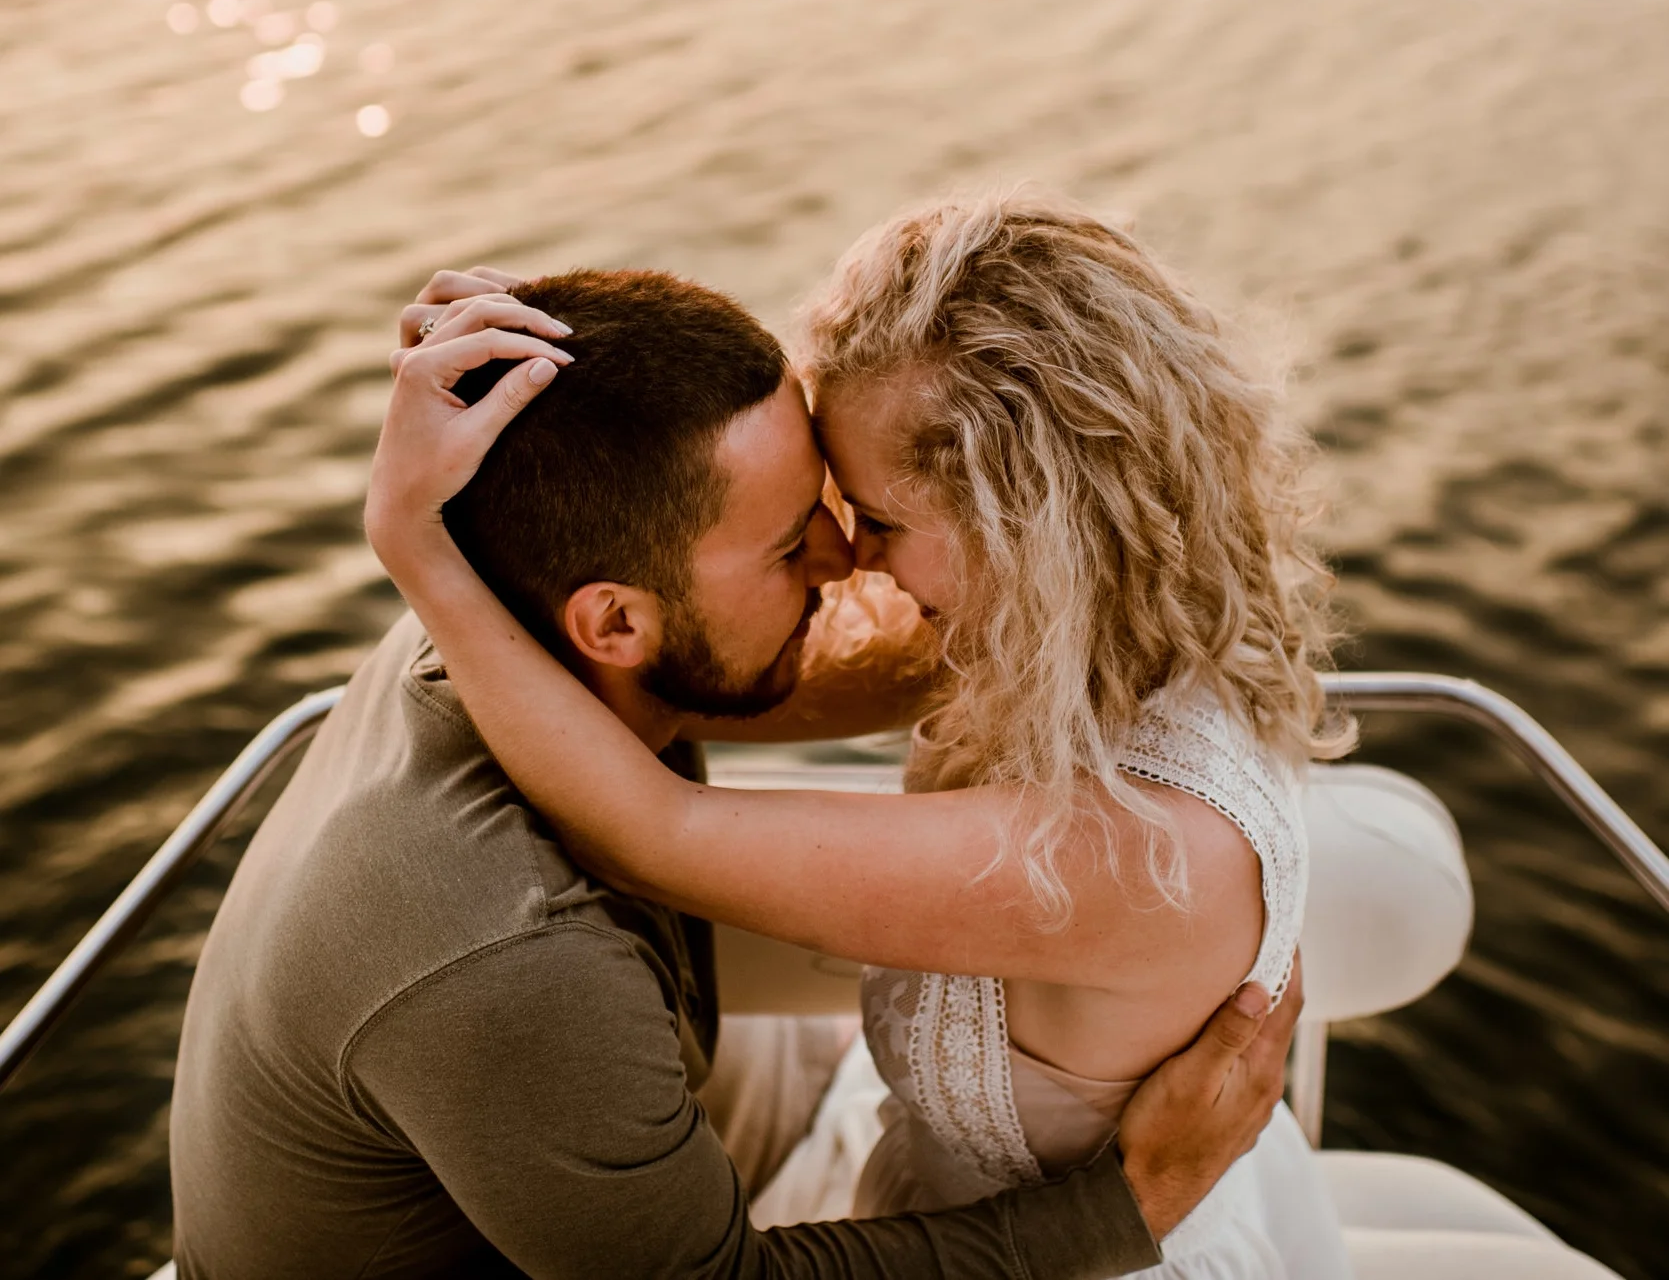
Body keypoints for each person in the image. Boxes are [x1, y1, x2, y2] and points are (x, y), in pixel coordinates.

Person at [169, 258, 1302, 1280]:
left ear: (1026, 540)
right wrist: (1131, 1203)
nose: (841, 557)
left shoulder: (492, 622)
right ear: (613, 624)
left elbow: (685, 797)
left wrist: (424, 540)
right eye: (794, 535)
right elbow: (648, 832)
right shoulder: (512, 949)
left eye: (861, 514)